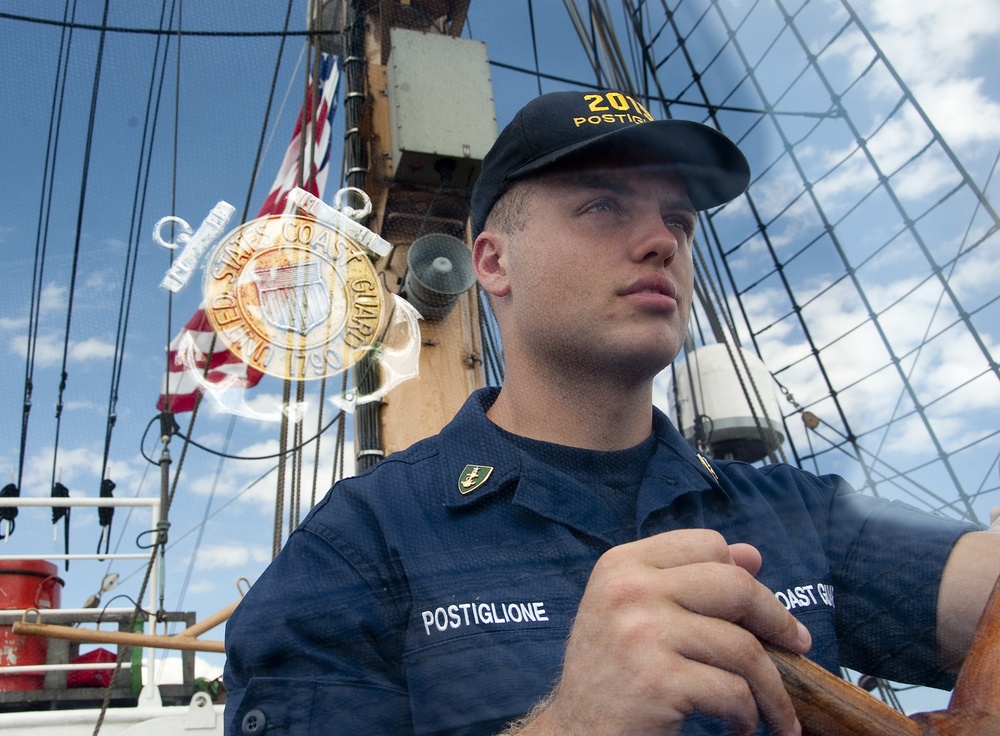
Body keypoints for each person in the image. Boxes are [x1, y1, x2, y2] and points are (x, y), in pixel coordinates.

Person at [223, 90, 1000, 736]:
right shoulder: (359, 545)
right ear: (492, 262)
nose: (663, 240)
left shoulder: (804, 515)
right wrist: (569, 724)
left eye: (680, 221)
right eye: (602, 205)